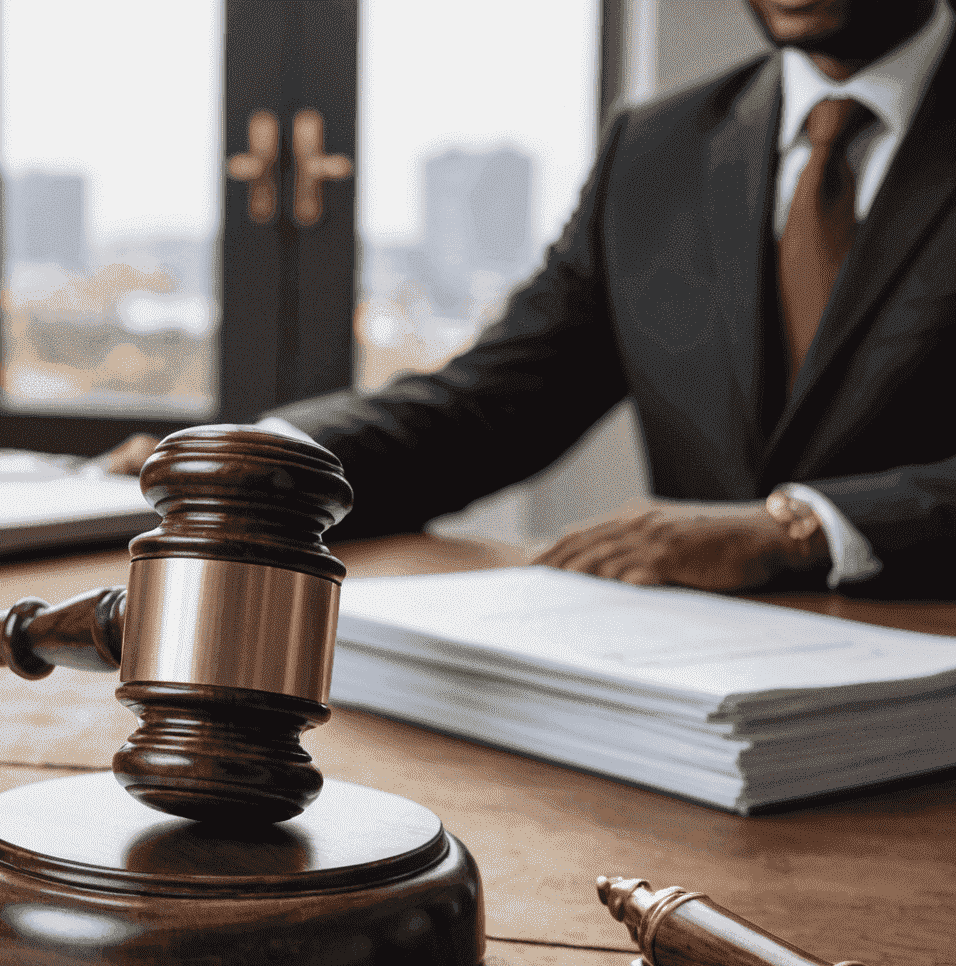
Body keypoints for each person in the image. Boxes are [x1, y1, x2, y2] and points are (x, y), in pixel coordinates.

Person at [106, 0, 956, 596]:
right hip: (691, 696)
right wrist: (261, 463)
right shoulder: (658, 147)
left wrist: (802, 528)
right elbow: (495, 402)